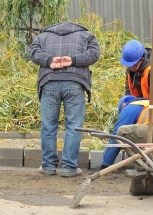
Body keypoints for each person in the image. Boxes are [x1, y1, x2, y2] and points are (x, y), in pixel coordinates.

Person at [28, 22, 101, 177]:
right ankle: (69, 167)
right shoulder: (87, 35)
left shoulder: (42, 36)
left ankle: (48, 166)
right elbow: (94, 54)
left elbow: (33, 52)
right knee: (74, 126)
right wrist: (73, 60)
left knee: (48, 126)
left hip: (49, 82)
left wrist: (49, 61)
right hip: (75, 83)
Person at [91, 95, 153, 172]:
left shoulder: (130, 107)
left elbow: (116, 135)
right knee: (143, 135)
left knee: (123, 131)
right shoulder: (151, 104)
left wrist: (105, 164)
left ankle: (142, 169)